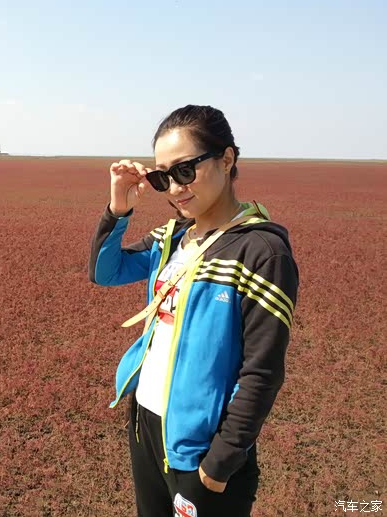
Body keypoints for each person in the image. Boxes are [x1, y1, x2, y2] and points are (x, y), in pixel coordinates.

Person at [87, 105, 299, 517]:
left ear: (226, 159)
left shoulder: (260, 252)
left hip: (203, 449)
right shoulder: (172, 238)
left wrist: (219, 465)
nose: (174, 188)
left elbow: (261, 371)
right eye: (162, 177)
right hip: (147, 425)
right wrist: (118, 208)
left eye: (185, 170)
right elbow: (103, 272)